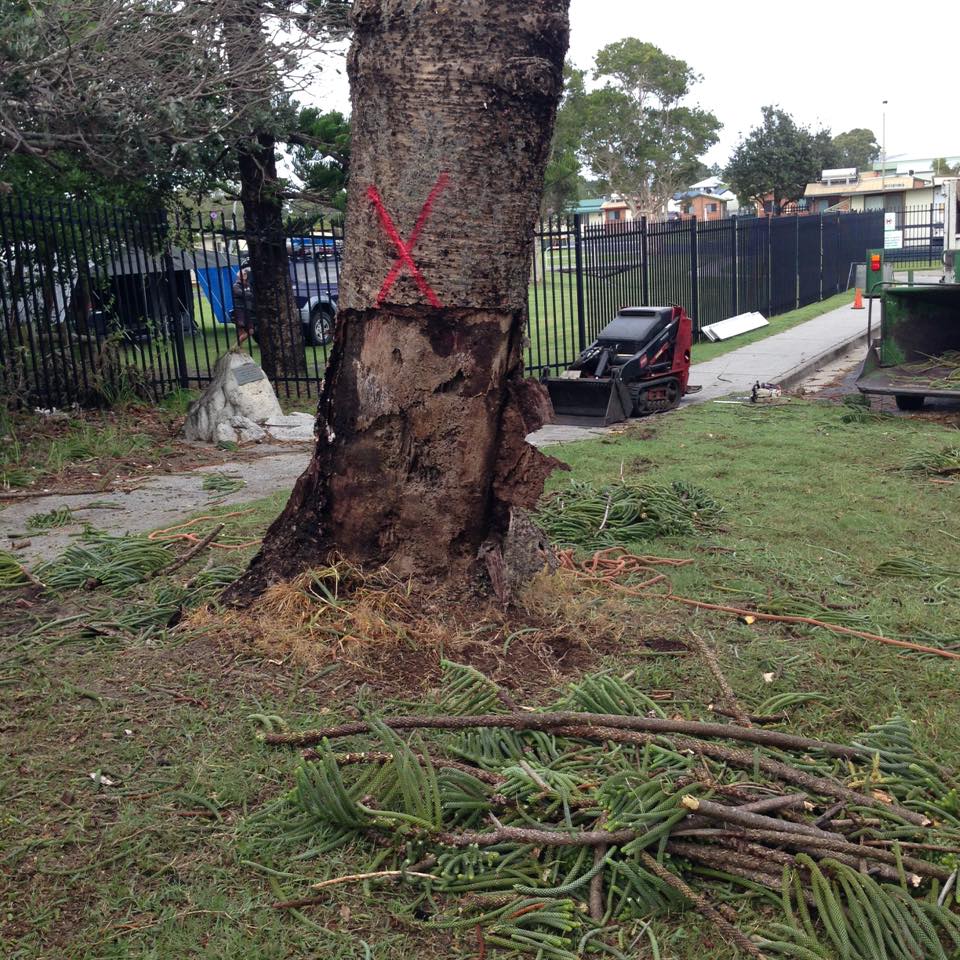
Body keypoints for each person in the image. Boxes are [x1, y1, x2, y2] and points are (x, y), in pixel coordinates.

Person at [231, 267, 255, 343]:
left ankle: (236, 346)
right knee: (241, 330)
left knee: (250, 331)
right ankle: (236, 347)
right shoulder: (236, 286)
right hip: (240, 310)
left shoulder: (248, 285)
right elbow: (242, 294)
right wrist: (250, 294)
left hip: (247, 310)